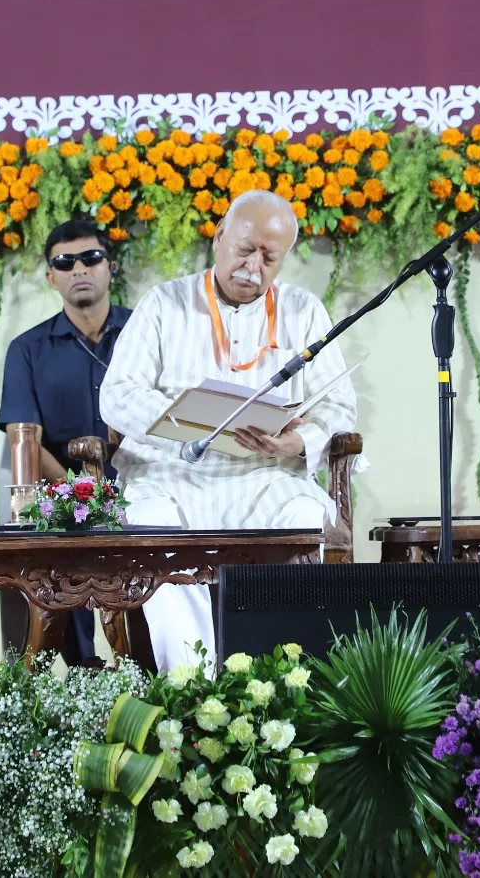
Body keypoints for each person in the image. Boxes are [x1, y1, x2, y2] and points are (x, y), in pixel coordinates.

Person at [99, 189, 358, 671]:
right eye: (244, 250)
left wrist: (296, 441)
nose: (253, 267)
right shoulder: (164, 303)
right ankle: (192, 688)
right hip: (168, 475)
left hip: (265, 478)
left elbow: (340, 406)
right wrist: (192, 422)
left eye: (269, 258)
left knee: (304, 518)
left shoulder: (303, 310)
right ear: (219, 236)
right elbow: (117, 396)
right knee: (153, 528)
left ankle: (276, 684)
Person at [0, 219, 132, 665]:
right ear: (51, 278)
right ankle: (76, 673)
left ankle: (153, 673)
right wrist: (83, 492)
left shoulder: (145, 334)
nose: (79, 269)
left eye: (91, 258)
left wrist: (115, 494)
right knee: (57, 530)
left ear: (111, 267)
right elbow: (23, 439)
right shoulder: (27, 349)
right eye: (64, 262)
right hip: (60, 492)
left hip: (143, 485)